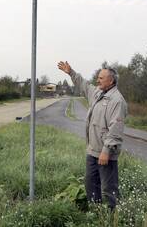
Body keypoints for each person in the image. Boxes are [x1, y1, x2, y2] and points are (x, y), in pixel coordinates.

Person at [57, 61, 127, 210]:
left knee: (109, 189)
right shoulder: (98, 93)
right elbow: (84, 85)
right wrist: (71, 72)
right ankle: (95, 214)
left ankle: (112, 217)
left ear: (111, 80)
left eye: (101, 78)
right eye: (98, 78)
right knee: (90, 185)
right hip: (92, 151)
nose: (97, 80)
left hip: (105, 154)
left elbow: (116, 128)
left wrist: (106, 151)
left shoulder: (117, 101)